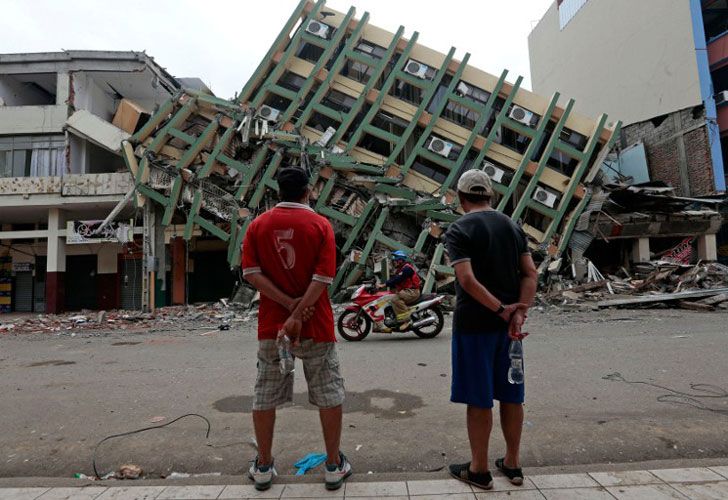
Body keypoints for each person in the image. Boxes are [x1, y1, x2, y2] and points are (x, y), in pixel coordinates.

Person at [241, 167, 352, 491]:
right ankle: (333, 465)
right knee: (329, 393)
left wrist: (287, 306)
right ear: (308, 190)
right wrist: (301, 311)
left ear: (278, 191)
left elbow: (251, 272)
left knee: (265, 394)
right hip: (316, 325)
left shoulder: (258, 225)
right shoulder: (320, 225)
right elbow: (323, 278)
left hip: (272, 327)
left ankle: (263, 466)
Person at [444, 169, 538, 490]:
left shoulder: (459, 229)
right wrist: (519, 312)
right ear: (491, 196)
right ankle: (512, 464)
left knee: (479, 398)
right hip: (510, 331)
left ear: (460, 198)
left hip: (474, 327)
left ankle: (480, 469)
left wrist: (500, 310)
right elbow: (530, 274)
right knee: (513, 396)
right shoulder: (513, 227)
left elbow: (467, 280)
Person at [380, 250, 421, 326]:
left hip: (412, 292)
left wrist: (384, 285)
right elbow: (394, 279)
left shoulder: (406, 269)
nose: (394, 262)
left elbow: (398, 279)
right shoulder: (401, 269)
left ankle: (407, 320)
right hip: (408, 291)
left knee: (395, 299)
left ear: (400, 260)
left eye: (395, 260)